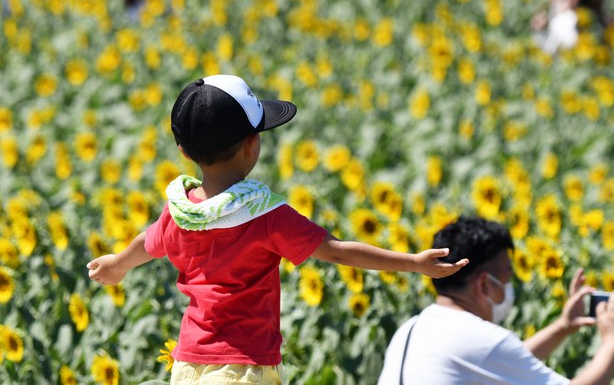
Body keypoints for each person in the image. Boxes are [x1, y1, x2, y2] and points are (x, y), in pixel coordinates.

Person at [86, 74, 469, 385]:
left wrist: (117, 265)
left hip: (188, 365)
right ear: (253, 145)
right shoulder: (265, 214)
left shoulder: (180, 212)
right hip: (245, 367)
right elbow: (336, 251)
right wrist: (413, 263)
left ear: (184, 151)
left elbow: (146, 244)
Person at [378, 216, 614, 385]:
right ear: (484, 283)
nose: (510, 287)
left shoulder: (412, 328)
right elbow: (494, 355)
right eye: (508, 276)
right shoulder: (479, 339)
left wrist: (562, 326)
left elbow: (500, 363)